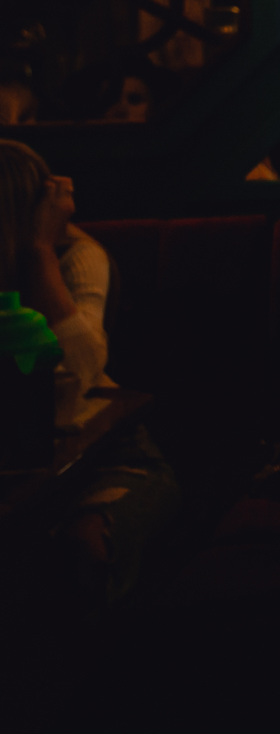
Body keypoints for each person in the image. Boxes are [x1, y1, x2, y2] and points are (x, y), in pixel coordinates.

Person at [0, 140, 179, 606]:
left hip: (107, 453)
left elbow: (82, 368)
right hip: (23, 466)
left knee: (84, 548)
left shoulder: (75, 257)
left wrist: (40, 251)